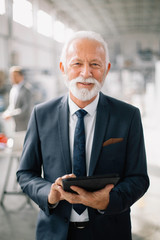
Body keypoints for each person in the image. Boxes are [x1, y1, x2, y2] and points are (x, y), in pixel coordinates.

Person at [16, 31, 149, 240]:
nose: (86, 73)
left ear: (106, 70)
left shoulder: (128, 116)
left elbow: (139, 178)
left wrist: (108, 201)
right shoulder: (41, 115)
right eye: (77, 63)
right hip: (55, 233)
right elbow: (25, 173)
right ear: (63, 68)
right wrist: (49, 194)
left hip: (110, 232)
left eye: (95, 64)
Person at [2, 66, 33, 132]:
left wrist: (11, 115)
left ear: (21, 76)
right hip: (15, 125)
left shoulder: (26, 90)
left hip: (24, 125)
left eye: (15, 76)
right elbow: (12, 106)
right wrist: (6, 112)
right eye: (12, 76)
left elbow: (26, 109)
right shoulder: (13, 89)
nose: (13, 78)